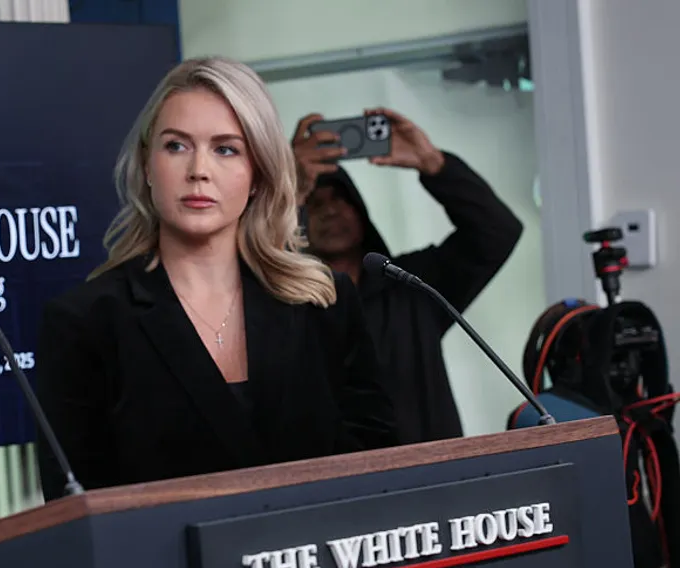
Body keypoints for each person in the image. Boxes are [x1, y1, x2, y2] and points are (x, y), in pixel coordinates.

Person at [33, 57, 398, 502]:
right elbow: (77, 510)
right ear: (147, 166)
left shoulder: (324, 303)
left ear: (258, 176)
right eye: (176, 146)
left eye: (226, 149)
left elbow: (379, 473)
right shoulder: (83, 323)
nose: (198, 171)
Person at [292, 108, 524, 445]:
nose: (329, 210)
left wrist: (433, 164)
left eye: (340, 199)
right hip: (335, 485)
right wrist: (291, 190)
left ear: (360, 210)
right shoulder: (285, 304)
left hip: (433, 479)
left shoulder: (411, 284)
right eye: (314, 202)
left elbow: (496, 232)